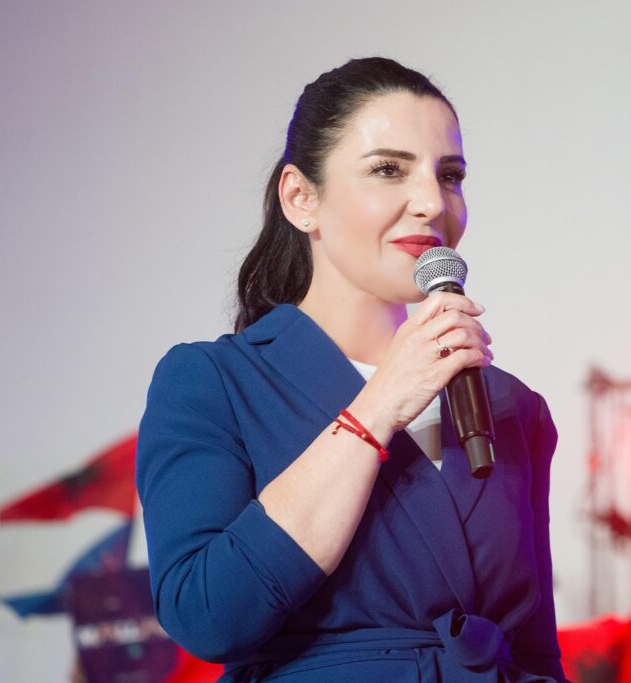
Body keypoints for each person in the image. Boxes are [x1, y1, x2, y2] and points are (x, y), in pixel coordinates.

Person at [135, 57, 566, 682]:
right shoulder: (214, 381)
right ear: (301, 198)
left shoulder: (510, 406)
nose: (432, 203)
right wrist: (379, 404)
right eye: (388, 169)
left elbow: (535, 649)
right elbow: (207, 615)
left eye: (450, 176)